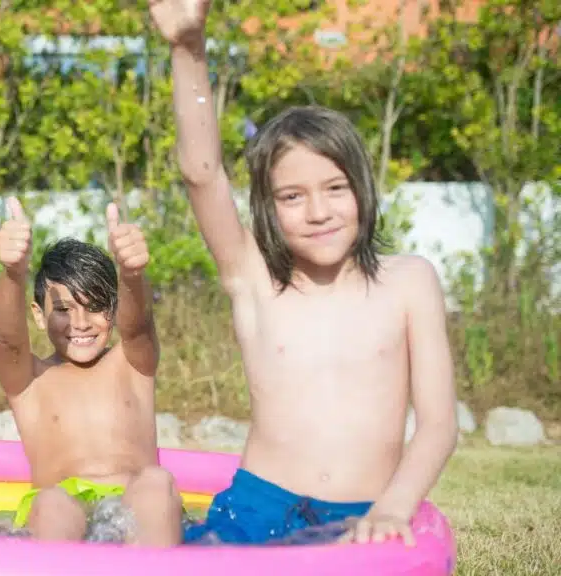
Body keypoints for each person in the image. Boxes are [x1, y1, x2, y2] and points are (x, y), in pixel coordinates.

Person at [148, 0, 459, 546]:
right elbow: (201, 174)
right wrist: (188, 49)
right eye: (293, 196)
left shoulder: (409, 282)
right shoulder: (253, 279)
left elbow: (438, 426)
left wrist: (391, 511)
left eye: (335, 189)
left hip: (362, 508)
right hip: (254, 508)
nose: (318, 212)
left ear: (362, 188)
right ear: (269, 207)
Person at [0, 197, 183, 547]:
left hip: (133, 500)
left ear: (115, 309)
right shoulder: (30, 380)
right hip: (63, 506)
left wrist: (131, 275)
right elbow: (7, 341)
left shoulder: (131, 364)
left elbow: (138, 326)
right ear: (38, 315)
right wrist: (13, 273)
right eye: (63, 309)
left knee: (157, 483)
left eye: (95, 308)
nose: (80, 323)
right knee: (50, 502)